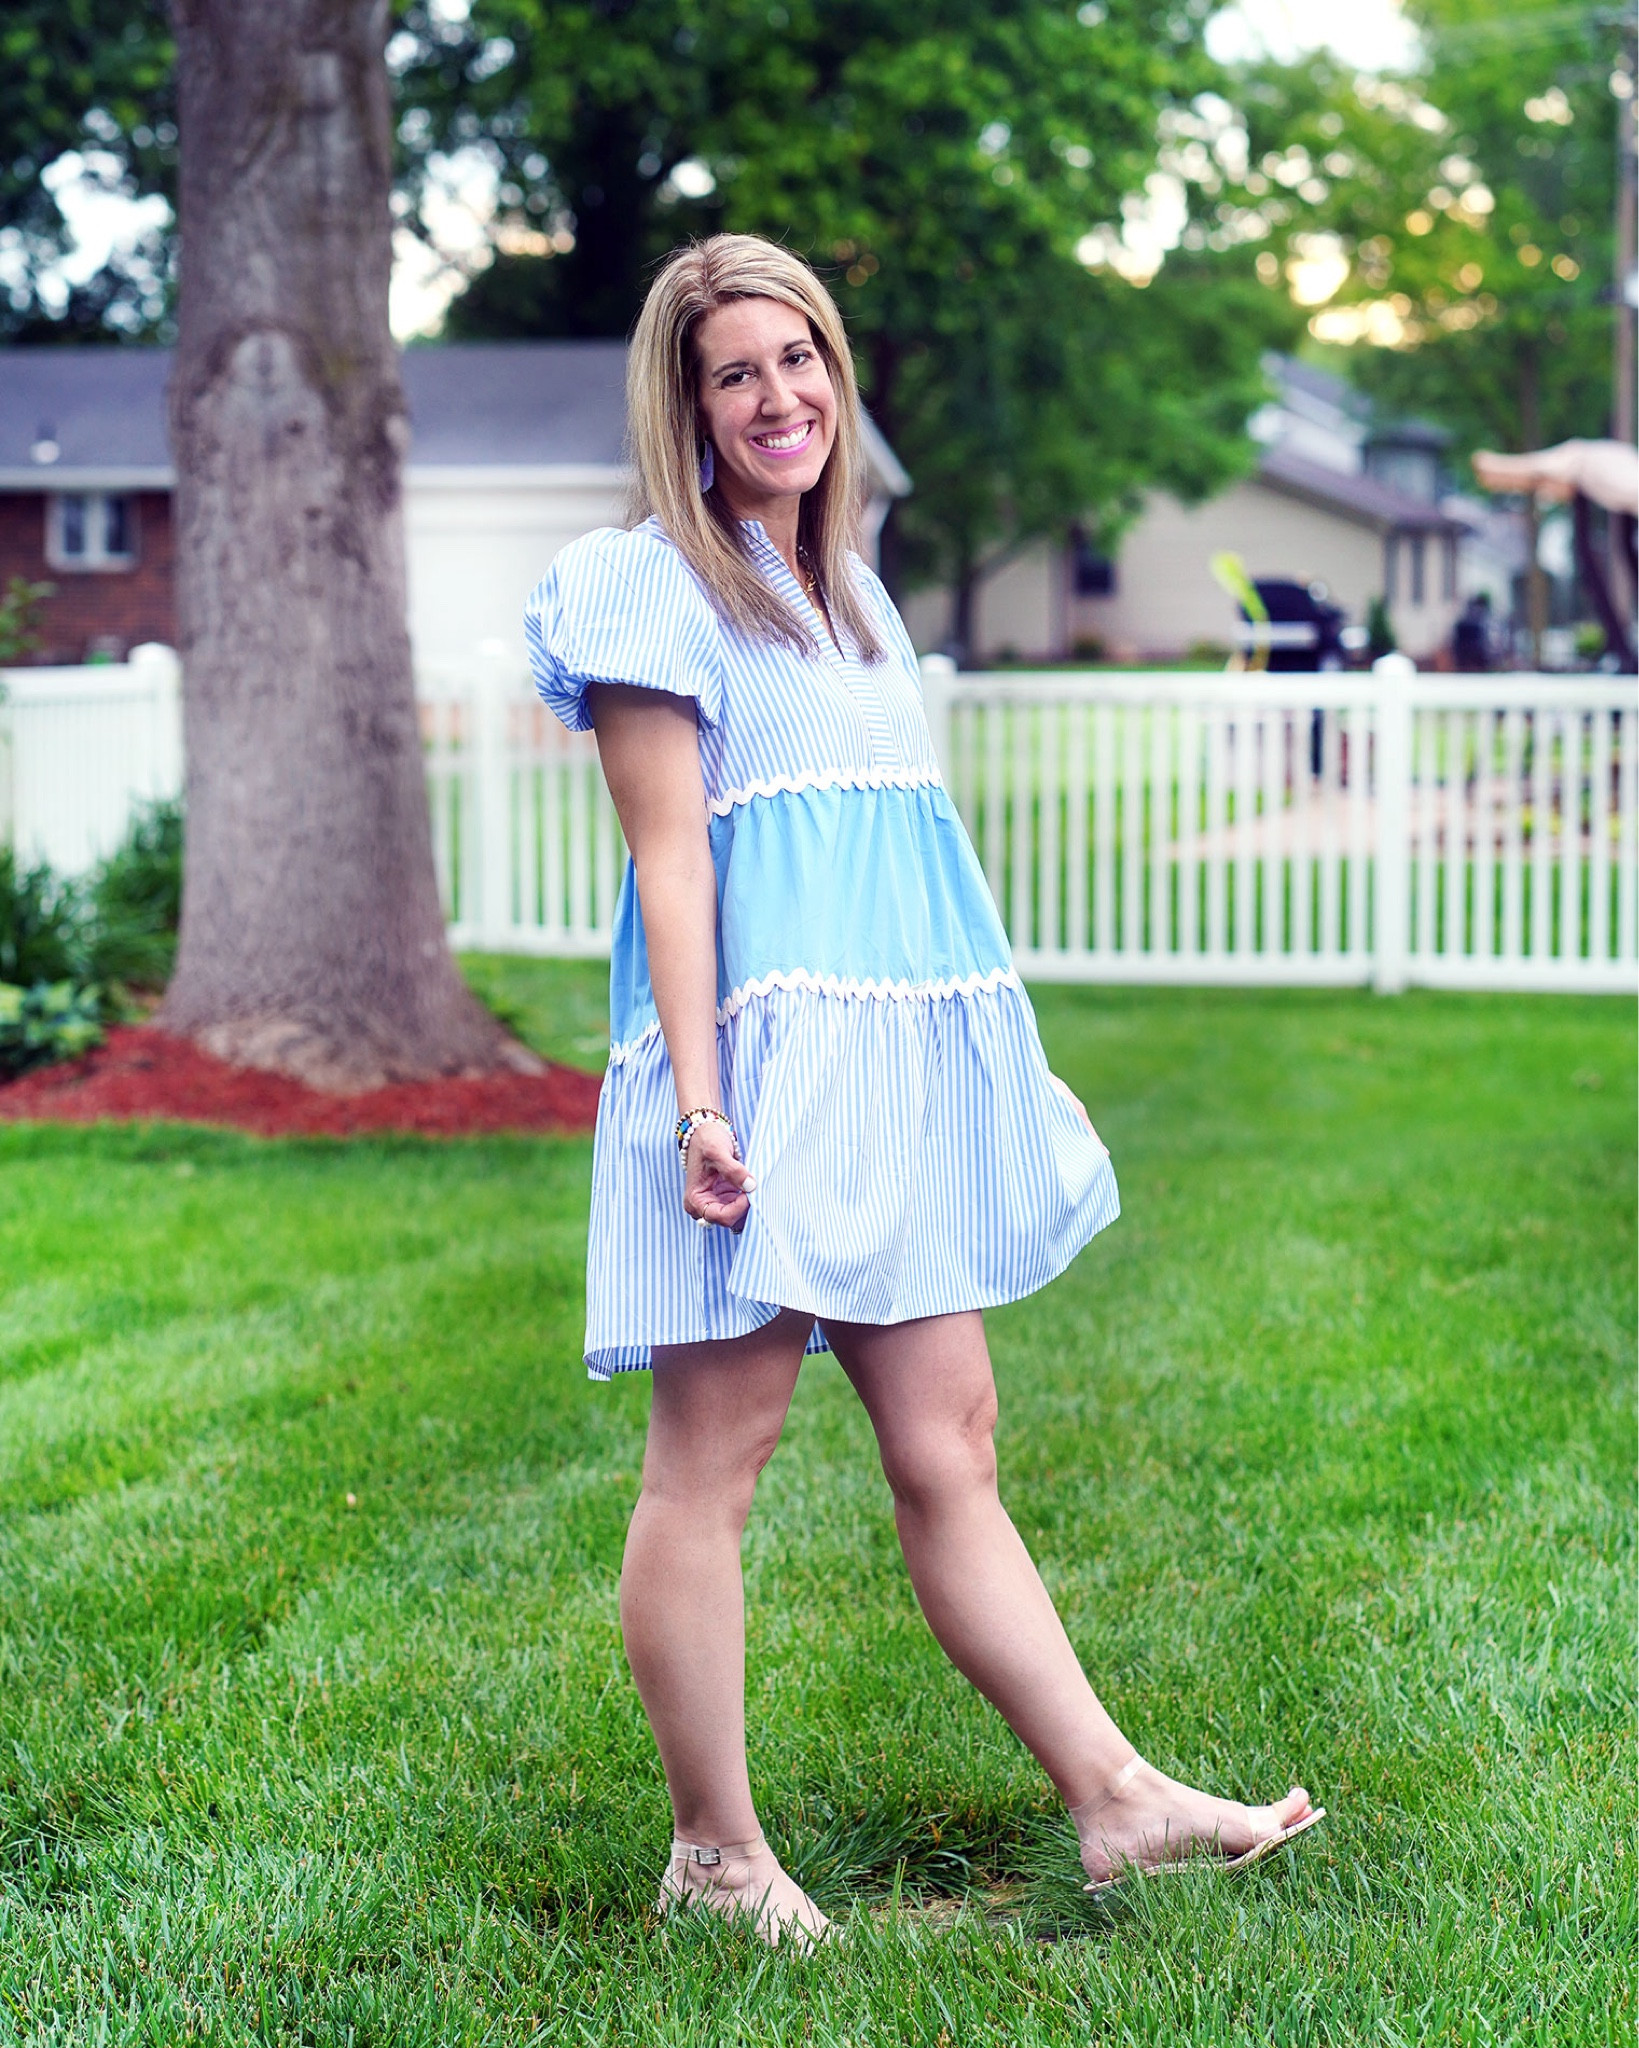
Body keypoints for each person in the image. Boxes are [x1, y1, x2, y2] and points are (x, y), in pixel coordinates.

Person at [524, 234, 1323, 1946]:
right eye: (734, 372)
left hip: (888, 1073)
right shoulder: (651, 582)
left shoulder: (860, 594)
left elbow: (892, 856)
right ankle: (715, 1860)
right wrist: (707, 1109)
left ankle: (1116, 1803)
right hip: (755, 1079)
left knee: (951, 1441)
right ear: (690, 406)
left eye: (797, 356)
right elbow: (675, 863)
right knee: (709, 1465)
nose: (777, 396)